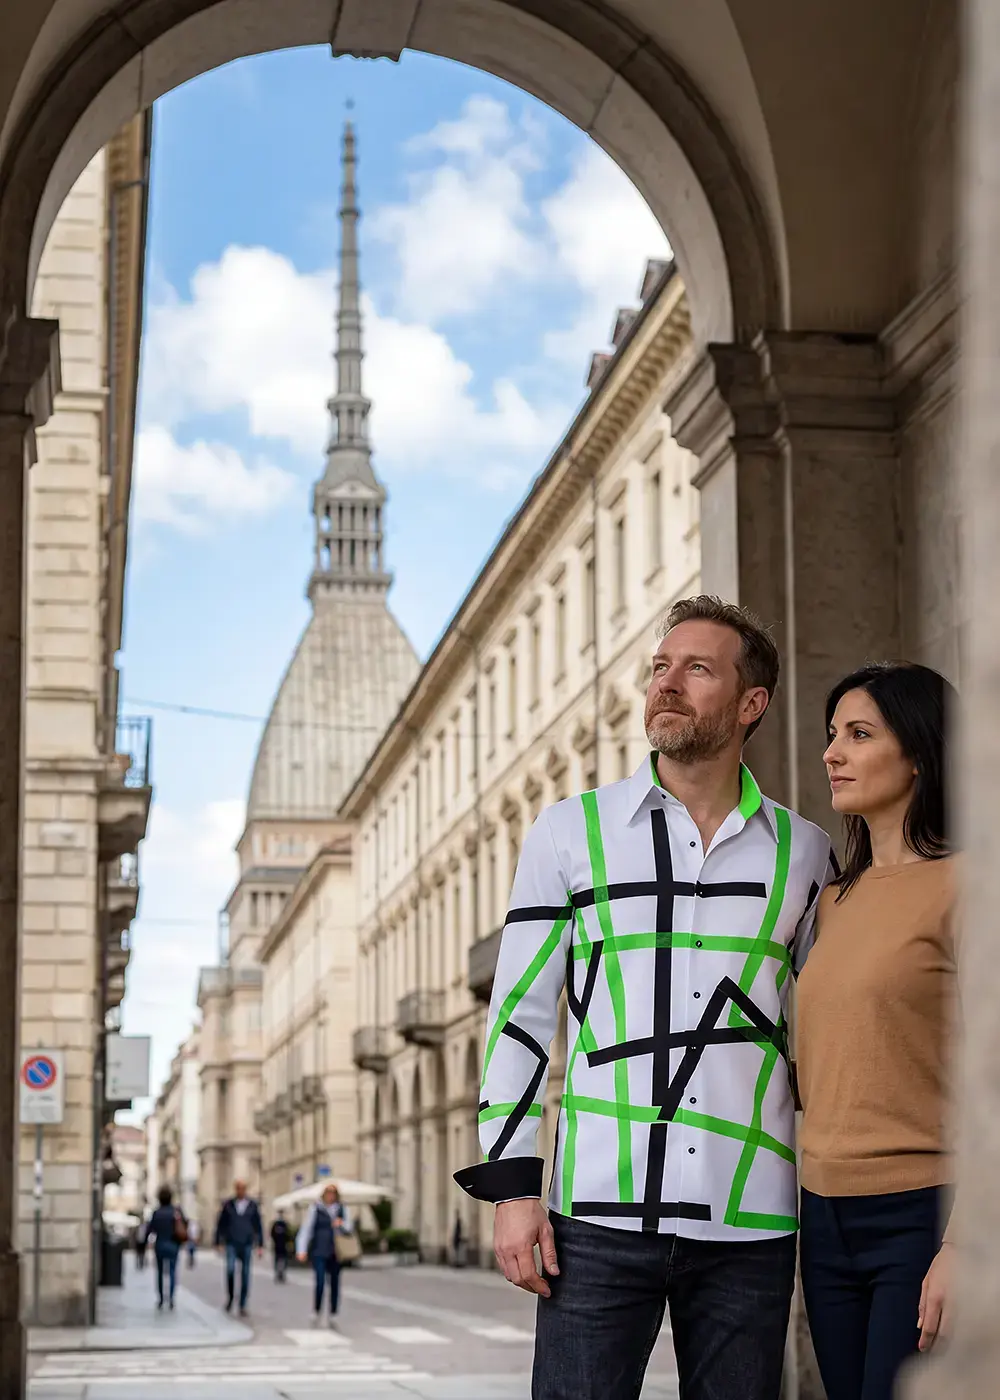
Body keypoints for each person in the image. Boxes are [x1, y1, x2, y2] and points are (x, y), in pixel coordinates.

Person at [455, 595, 837, 1400]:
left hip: (751, 1216)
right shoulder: (569, 832)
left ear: (750, 703)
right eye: (660, 666)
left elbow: (840, 1027)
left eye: (697, 668)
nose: (666, 682)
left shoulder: (805, 854)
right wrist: (515, 1187)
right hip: (597, 1214)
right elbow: (521, 1016)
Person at [796, 663, 957, 1400]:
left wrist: (967, 1242)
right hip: (824, 1220)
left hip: (926, 1212)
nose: (832, 752)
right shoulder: (832, 901)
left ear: (920, 753)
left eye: (859, 735)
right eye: (833, 735)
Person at [296, 1184, 352, 1327]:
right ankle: (317, 1309)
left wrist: (341, 1224)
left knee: (334, 1283)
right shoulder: (316, 1208)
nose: (331, 1196)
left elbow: (349, 1228)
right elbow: (306, 1229)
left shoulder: (342, 1209)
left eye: (333, 1193)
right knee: (320, 1281)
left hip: (336, 1251)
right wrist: (301, 1249)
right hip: (319, 1250)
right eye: (328, 1193)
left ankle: (333, 1311)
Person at [214, 1179, 263, 1317]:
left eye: (242, 1188)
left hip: (247, 1243)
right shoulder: (228, 1205)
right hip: (231, 1243)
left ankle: (242, 1303)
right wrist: (218, 1241)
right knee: (230, 1270)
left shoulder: (252, 1205)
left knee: (245, 1274)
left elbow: (258, 1225)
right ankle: (230, 1297)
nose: (240, 1191)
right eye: (238, 1188)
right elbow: (221, 1224)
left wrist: (260, 1245)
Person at [146, 1186, 186, 1311]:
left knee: (160, 1273)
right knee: (173, 1271)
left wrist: (143, 1243)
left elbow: (150, 1229)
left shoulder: (157, 1213)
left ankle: (161, 1299)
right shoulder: (176, 1211)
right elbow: (185, 1225)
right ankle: (172, 1298)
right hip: (173, 1245)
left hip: (160, 1245)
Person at [271, 1210, 291, 1282]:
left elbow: (288, 1234)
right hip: (277, 1245)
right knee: (277, 1259)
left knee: (283, 1260)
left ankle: (282, 1273)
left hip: (283, 1245)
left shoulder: (285, 1224)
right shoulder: (276, 1224)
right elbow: (272, 1234)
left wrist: (288, 1242)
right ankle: (278, 1273)